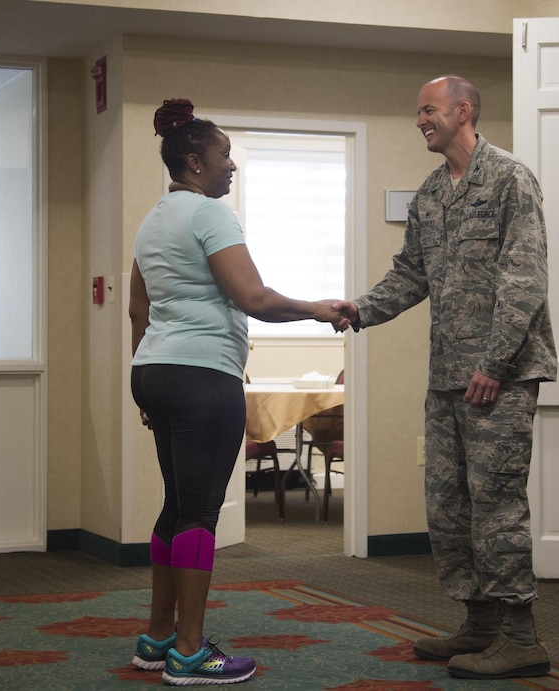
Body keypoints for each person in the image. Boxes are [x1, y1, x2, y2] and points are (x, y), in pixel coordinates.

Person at [331, 75, 557, 680]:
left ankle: (522, 637)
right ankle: (480, 624)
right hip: (448, 378)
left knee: (497, 506)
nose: (420, 120)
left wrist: (495, 362)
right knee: (450, 507)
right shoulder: (431, 194)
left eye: (427, 110)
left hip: (499, 378)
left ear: (463, 111)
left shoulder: (510, 178)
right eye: (418, 112)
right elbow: (411, 274)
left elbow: (525, 278)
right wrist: (361, 309)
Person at [128, 98, 341, 685]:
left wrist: (147, 383)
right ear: (194, 161)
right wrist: (318, 309)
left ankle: (157, 639)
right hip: (202, 374)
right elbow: (255, 299)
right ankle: (191, 652)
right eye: (225, 156)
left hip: (155, 371)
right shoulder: (210, 215)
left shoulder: (153, 219)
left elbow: (135, 308)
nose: (232, 166)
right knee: (199, 512)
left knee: (176, 504)